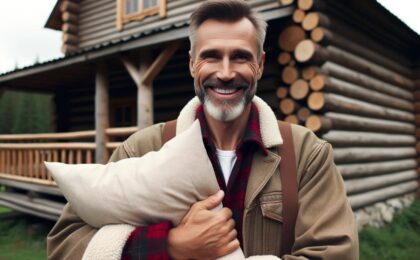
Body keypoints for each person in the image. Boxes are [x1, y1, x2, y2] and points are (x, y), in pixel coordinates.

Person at [47, 0, 358, 259]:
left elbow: (336, 253)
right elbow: (64, 245)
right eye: (211, 56)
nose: (225, 73)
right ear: (193, 64)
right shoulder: (142, 148)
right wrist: (170, 245)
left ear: (260, 65)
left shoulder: (306, 154)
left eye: (240, 57)